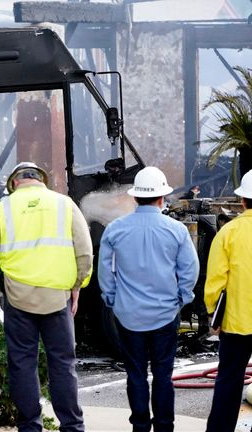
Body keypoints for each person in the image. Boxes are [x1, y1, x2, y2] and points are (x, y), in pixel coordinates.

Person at [0, 162, 93, 432]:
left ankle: (30, 427)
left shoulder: (2, 210)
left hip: (18, 301)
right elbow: (84, 251)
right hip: (58, 300)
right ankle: (73, 426)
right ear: (42, 181)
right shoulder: (65, 204)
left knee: (23, 365)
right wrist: (77, 286)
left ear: (14, 183)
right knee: (63, 365)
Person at [97, 166, 199, 432]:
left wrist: (112, 299)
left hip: (129, 315)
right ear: (162, 198)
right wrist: (182, 297)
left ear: (134, 198)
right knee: (163, 376)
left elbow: (105, 271)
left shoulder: (115, 230)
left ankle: (140, 426)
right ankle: (164, 427)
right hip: (165, 315)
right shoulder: (176, 230)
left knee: (136, 374)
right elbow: (190, 269)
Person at [204, 171, 252, 432]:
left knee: (229, 381)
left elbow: (215, 281)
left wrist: (214, 315)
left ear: (243, 200)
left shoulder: (228, 233)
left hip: (236, 322)